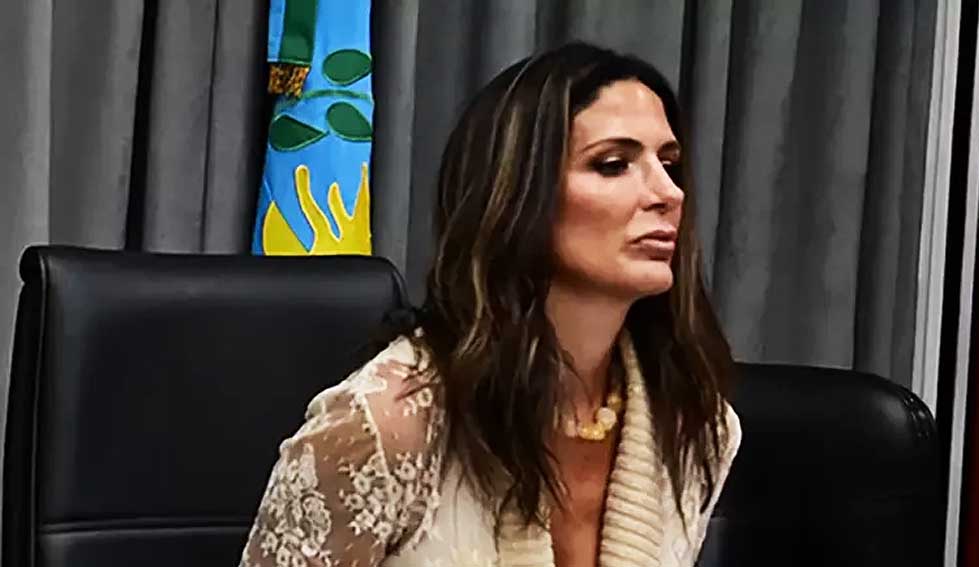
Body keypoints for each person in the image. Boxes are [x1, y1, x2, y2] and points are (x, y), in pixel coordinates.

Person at [238, 41, 741, 567]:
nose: (669, 194)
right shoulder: (385, 425)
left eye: (670, 164)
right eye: (614, 164)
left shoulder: (697, 424)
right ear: (516, 193)